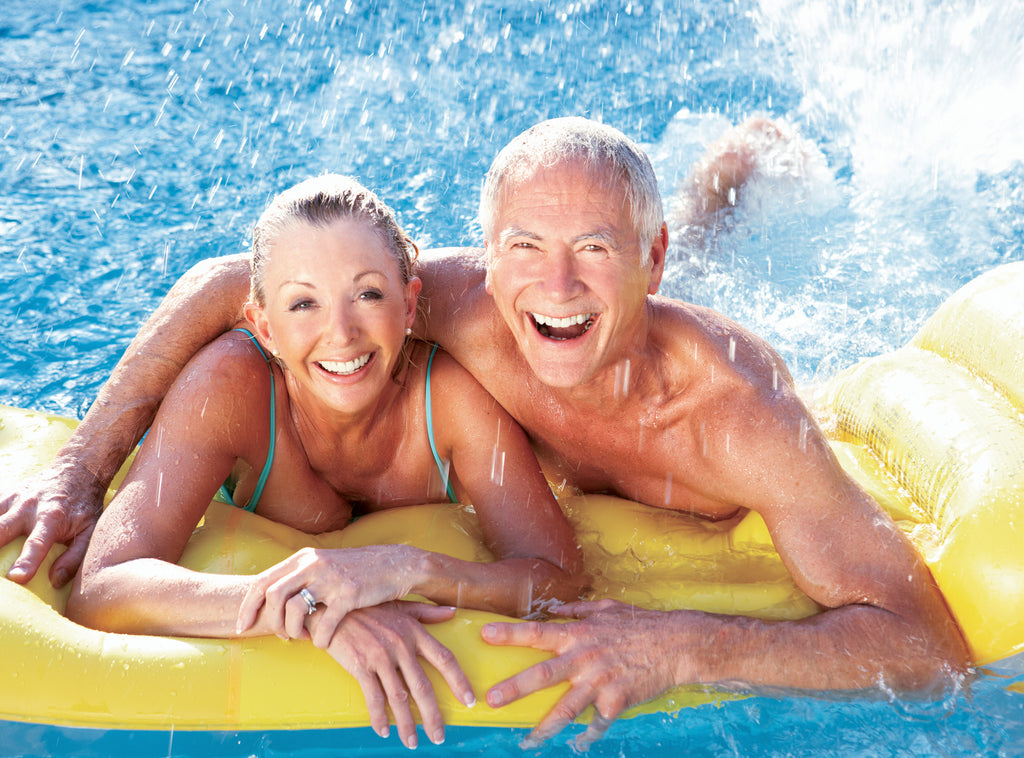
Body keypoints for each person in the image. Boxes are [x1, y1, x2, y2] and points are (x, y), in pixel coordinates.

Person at [2, 118, 968, 747]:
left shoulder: (738, 420)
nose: (552, 287)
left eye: (595, 248)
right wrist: (85, 466)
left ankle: (720, 187)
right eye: (526, 251)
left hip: (679, 397)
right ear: (487, 261)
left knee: (682, 300)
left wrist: (682, 646)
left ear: (642, 258)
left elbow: (928, 649)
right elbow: (235, 283)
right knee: (591, 311)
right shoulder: (454, 308)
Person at [61, 174, 584, 750]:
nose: (341, 334)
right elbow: (101, 587)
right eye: (303, 303)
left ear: (409, 304)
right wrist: (307, 611)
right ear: (264, 324)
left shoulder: (452, 400)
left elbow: (559, 579)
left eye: (368, 294)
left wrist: (413, 569)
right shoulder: (232, 387)